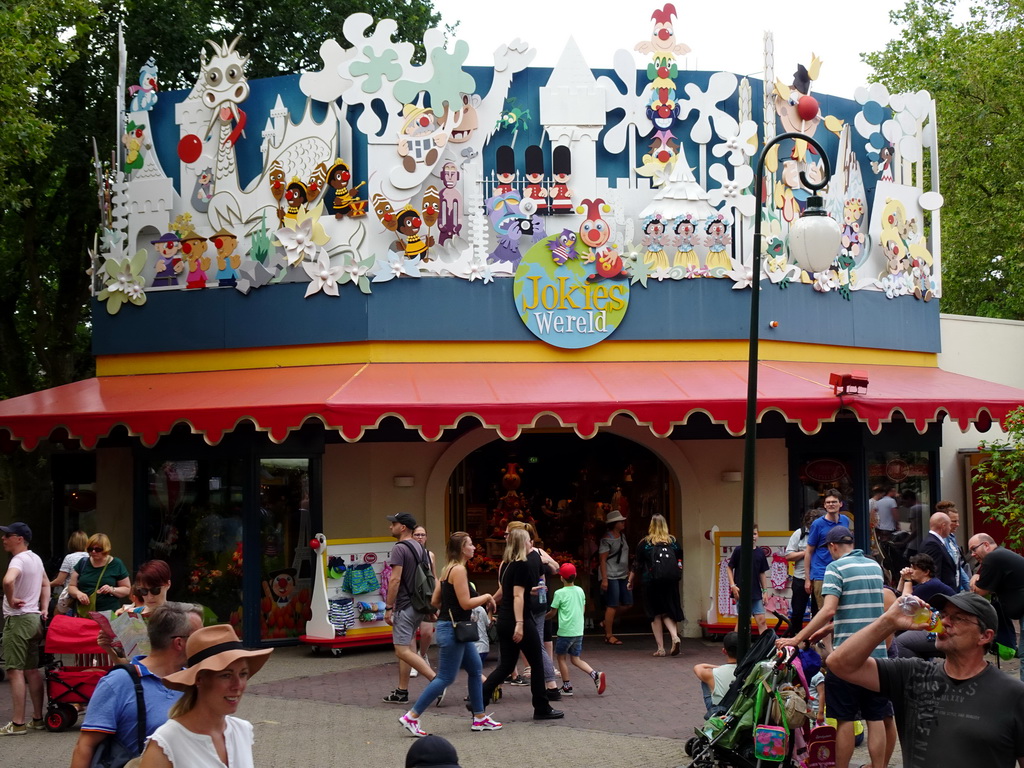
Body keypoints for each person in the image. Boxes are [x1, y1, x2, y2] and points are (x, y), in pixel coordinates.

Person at [828, 591, 1024, 768]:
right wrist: (888, 622)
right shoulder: (912, 674)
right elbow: (839, 663)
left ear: (985, 636)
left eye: (958, 618)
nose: (944, 622)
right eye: (944, 614)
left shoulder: (1014, 694)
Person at [779, 526, 896, 768]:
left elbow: (829, 608)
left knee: (844, 719)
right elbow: (865, 609)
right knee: (875, 718)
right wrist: (832, 627)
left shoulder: (835, 568)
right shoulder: (874, 567)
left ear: (832, 546)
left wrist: (796, 637)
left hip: (847, 657)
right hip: (877, 656)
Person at [70, 602, 204, 767]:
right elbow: (85, 746)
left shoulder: (195, 681)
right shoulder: (118, 682)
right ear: (179, 643)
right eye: (199, 636)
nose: (204, 641)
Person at [398, 532, 501, 737]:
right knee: (445, 677)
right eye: (471, 544)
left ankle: (479, 717)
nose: (474, 547)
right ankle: (412, 716)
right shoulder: (460, 570)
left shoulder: (447, 569)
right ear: (462, 548)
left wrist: (448, 608)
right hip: (455, 630)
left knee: (474, 669)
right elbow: (465, 603)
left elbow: (435, 601)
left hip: (454, 628)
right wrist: (488, 596)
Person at [138, 624, 273, 768]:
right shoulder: (167, 743)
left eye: (243, 674)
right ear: (199, 679)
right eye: (226, 675)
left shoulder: (242, 730)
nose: (238, 685)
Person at [481, 528, 562, 720]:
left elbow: (512, 591)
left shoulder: (509, 564)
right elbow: (517, 596)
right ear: (522, 543)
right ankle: (541, 707)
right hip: (520, 620)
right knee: (536, 663)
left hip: (505, 619)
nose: (531, 544)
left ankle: (479, 698)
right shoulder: (522, 564)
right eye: (528, 541)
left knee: (506, 666)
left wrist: (529, 591)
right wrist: (519, 624)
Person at [383, 513, 439, 704]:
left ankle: (436, 682)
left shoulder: (399, 548)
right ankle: (402, 691)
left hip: (405, 605)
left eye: (394, 524)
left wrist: (389, 607)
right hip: (419, 604)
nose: (391, 527)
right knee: (406, 647)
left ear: (403, 527)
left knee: (401, 650)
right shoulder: (421, 548)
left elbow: (395, 579)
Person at [0, 522, 49, 736]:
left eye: (7, 535)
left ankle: (18, 723)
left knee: (14, 670)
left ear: (19, 538)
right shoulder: (35, 558)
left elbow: (8, 580)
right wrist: (44, 608)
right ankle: (37, 718)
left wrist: (11, 600)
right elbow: (46, 584)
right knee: (31, 669)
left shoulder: (18, 559)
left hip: (19, 620)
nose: (3, 538)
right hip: (33, 619)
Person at [508, 521, 561, 700]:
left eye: (509, 534)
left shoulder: (528, 556)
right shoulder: (520, 557)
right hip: (536, 601)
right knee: (535, 641)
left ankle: (550, 683)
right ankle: (543, 681)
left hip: (532, 604)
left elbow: (555, 568)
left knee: (537, 642)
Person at [968, 532, 1024, 681]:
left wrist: (974, 577)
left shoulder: (993, 557)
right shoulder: (1000, 555)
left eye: (974, 549)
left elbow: (980, 591)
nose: (973, 554)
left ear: (986, 545)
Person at [547, 562, 606, 697]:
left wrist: (543, 618)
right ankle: (595, 674)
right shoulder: (580, 591)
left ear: (561, 578)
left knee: (561, 658)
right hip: (578, 630)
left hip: (565, 631)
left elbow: (553, 612)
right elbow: (583, 609)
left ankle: (567, 686)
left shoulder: (559, 593)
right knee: (576, 658)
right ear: (575, 576)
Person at [631, 514, 683, 656]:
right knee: (667, 611)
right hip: (670, 582)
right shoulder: (673, 541)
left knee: (655, 614)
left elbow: (637, 564)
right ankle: (674, 636)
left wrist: (630, 580)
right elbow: (679, 560)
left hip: (651, 582)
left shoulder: (645, 543)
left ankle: (660, 648)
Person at [892, 553, 955, 659]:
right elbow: (898, 595)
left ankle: (914, 671)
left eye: (914, 568)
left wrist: (907, 580)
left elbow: (906, 604)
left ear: (926, 572)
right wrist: (902, 579)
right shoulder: (924, 585)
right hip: (935, 624)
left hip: (942, 628)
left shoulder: (930, 585)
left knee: (900, 642)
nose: (911, 571)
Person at [803, 489, 852, 617]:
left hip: (842, 570)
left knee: (842, 609)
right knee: (825, 612)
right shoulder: (817, 524)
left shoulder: (845, 520)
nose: (831, 504)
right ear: (824, 505)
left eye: (834, 502)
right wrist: (808, 579)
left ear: (840, 504)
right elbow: (808, 551)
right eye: (828, 502)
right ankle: (825, 638)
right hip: (821, 573)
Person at [67, 533, 131, 613]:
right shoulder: (82, 563)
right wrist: (78, 593)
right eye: (90, 549)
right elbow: (71, 586)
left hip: (108, 612)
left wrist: (111, 589)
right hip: (85, 612)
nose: (93, 552)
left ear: (106, 549)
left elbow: (127, 589)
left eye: (98, 549)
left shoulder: (116, 564)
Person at [727, 523, 769, 634]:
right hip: (741, 591)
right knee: (743, 621)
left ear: (758, 535)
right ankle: (734, 646)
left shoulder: (760, 552)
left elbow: (762, 573)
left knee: (762, 620)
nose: (753, 536)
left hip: (755, 591)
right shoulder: (739, 550)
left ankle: (765, 647)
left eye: (755, 534)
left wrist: (765, 591)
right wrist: (733, 585)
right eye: (750, 534)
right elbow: (729, 568)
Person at [598, 510, 631, 645]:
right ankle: (609, 635)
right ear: (614, 524)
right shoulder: (607, 539)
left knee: (628, 603)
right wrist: (604, 579)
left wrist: (628, 572)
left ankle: (606, 622)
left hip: (622, 574)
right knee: (612, 604)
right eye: (620, 521)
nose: (623, 523)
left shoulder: (622, 536)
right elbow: (602, 560)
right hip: (611, 575)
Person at [785, 509, 820, 635]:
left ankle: (816, 640)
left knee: (818, 611)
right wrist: (806, 553)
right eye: (809, 527)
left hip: (819, 576)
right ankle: (796, 637)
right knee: (798, 611)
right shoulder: (799, 534)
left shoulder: (823, 532)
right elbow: (788, 555)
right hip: (800, 577)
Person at [692, 631, 738, 719]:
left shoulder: (713, 673)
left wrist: (720, 667)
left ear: (724, 651)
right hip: (741, 708)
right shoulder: (751, 669)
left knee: (705, 680)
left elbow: (698, 667)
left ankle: (713, 714)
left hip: (721, 710)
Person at [410, 526, 436, 679]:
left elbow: (433, 576)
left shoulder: (429, 555)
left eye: (422, 535)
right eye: (417, 534)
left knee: (427, 632)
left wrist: (437, 598)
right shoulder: (407, 554)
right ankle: (415, 662)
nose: (420, 537)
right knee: (412, 632)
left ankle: (423, 654)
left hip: (426, 596)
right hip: (412, 597)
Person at [50, 530, 89, 616]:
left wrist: (46, 585)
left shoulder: (69, 558)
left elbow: (59, 581)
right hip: (88, 596)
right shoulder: (91, 557)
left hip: (71, 598)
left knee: (59, 617)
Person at [937, 501, 970, 592]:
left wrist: (968, 587)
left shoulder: (952, 538)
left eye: (958, 521)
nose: (957, 524)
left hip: (957, 588)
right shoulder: (938, 542)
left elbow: (958, 567)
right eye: (954, 521)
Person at [920, 512, 958, 591]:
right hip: (942, 596)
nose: (950, 529)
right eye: (949, 525)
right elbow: (934, 574)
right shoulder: (932, 544)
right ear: (943, 526)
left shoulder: (936, 542)